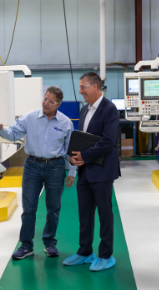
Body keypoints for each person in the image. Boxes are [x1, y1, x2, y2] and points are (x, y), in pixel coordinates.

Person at [0, 86, 76, 260]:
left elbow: (70, 150)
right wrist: (0, 129)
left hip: (56, 167)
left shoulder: (66, 123)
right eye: (45, 99)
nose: (46, 103)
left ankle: (49, 242)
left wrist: (72, 171)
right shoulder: (30, 117)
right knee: (29, 208)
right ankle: (26, 245)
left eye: (51, 101)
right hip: (32, 166)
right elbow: (13, 135)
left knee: (53, 208)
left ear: (58, 104)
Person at [64, 72, 120, 272]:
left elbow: (108, 141)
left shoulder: (110, 109)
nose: (80, 92)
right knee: (84, 213)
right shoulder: (84, 110)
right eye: (80, 88)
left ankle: (106, 255)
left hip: (103, 170)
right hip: (85, 170)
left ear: (96, 86)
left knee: (105, 214)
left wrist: (84, 156)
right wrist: (73, 156)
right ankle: (85, 251)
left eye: (83, 87)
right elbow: (81, 138)